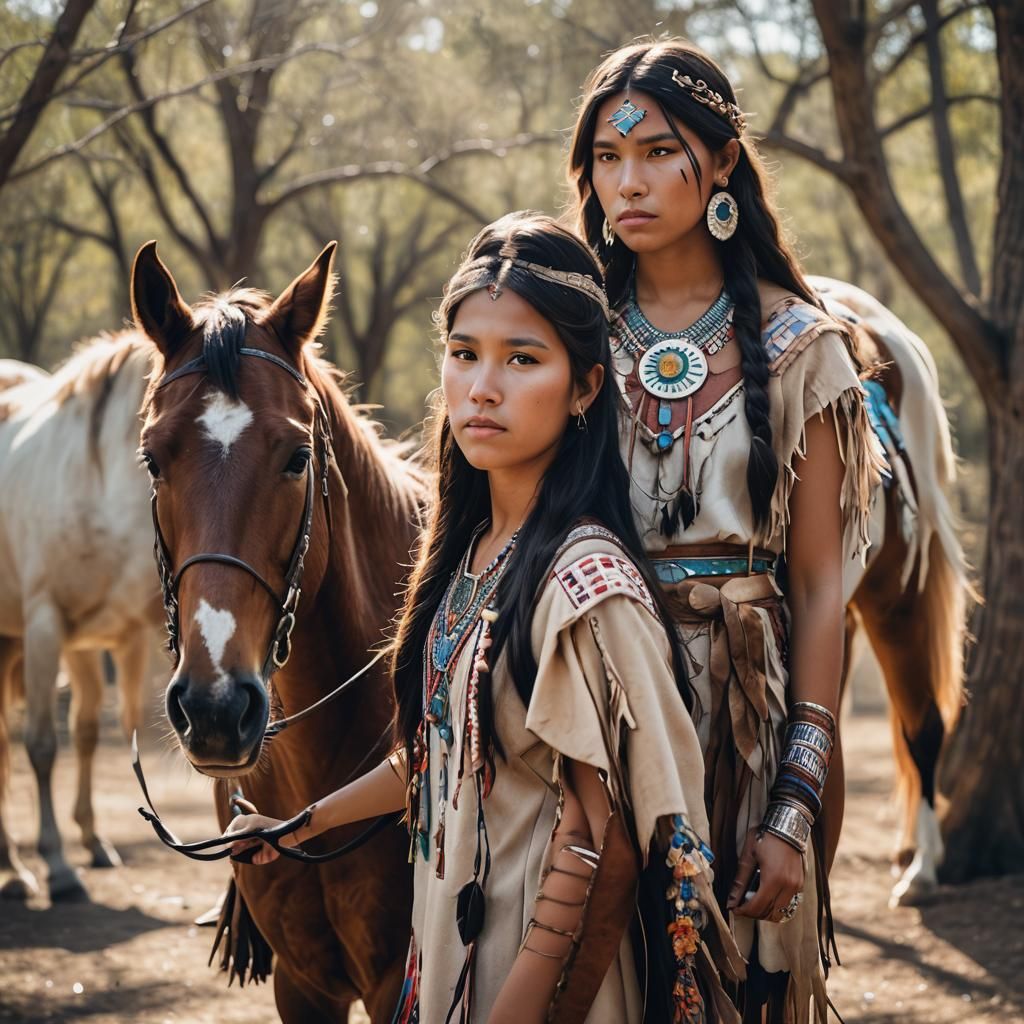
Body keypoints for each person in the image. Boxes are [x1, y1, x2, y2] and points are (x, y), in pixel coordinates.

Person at [225, 212, 741, 1023]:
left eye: (522, 359)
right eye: (464, 354)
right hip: (454, 969)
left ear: (585, 388)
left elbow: (594, 848)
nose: (482, 387)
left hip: (540, 988)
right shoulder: (464, 560)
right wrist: (301, 825)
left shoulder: (587, 584)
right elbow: (444, 755)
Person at [566, 39, 887, 1023]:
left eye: (656, 152)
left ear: (719, 167)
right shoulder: (566, 337)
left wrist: (794, 801)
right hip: (594, 714)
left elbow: (825, 591)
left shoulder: (804, 351)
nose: (627, 180)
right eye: (605, 159)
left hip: (746, 733)